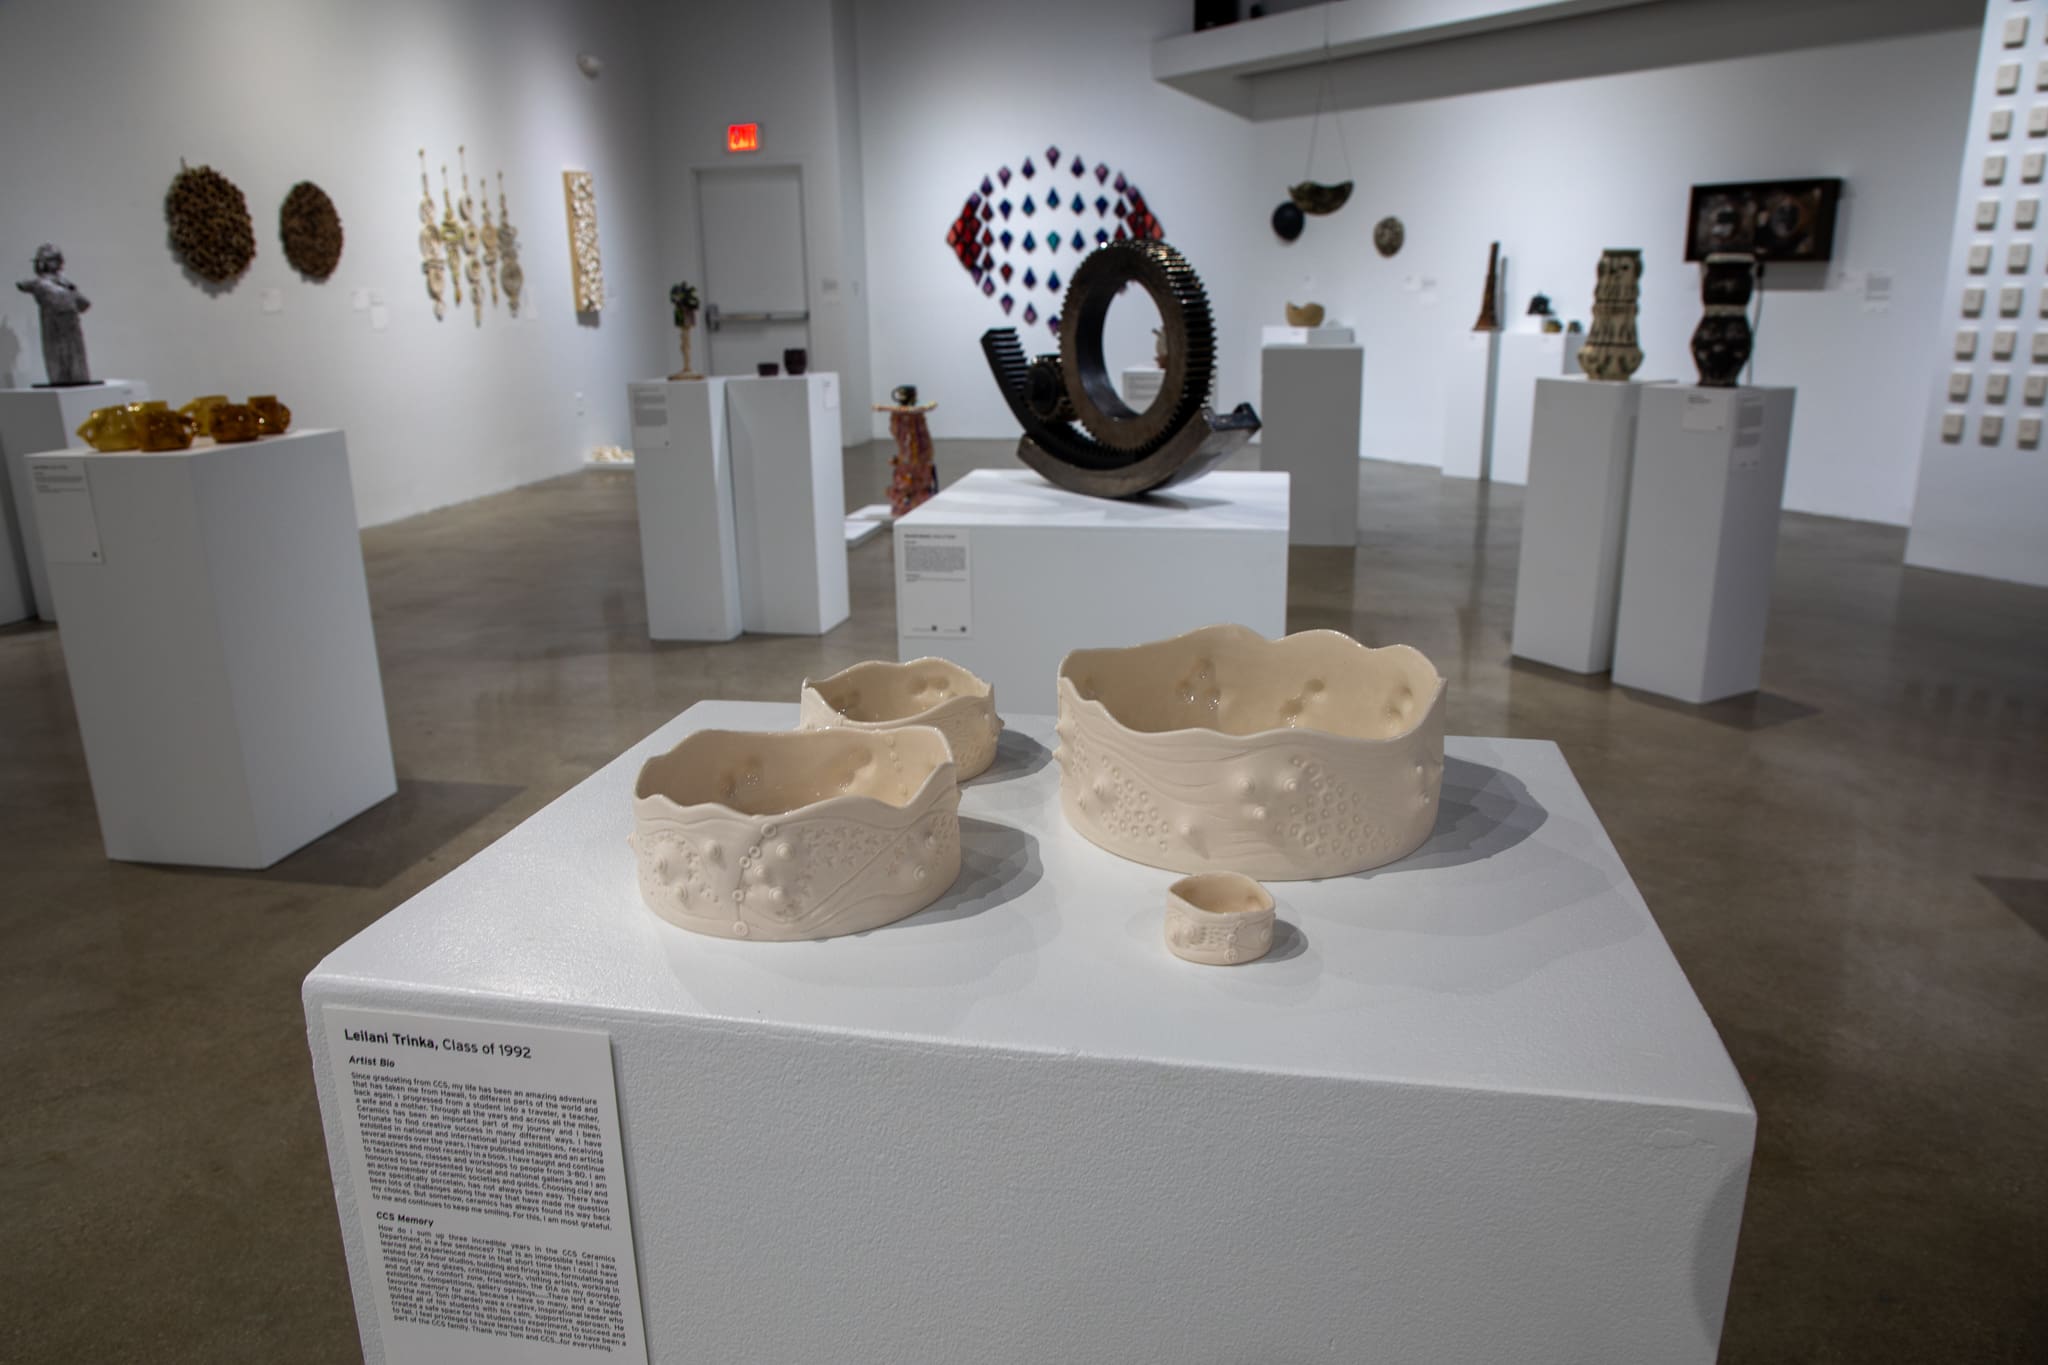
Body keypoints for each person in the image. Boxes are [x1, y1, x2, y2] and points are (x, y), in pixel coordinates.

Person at [16, 244, 91, 386]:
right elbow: (24, 285)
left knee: (77, 367)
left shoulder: (65, 284)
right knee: (58, 365)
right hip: (54, 328)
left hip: (71, 328)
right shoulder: (41, 284)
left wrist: (68, 287)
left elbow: (84, 304)